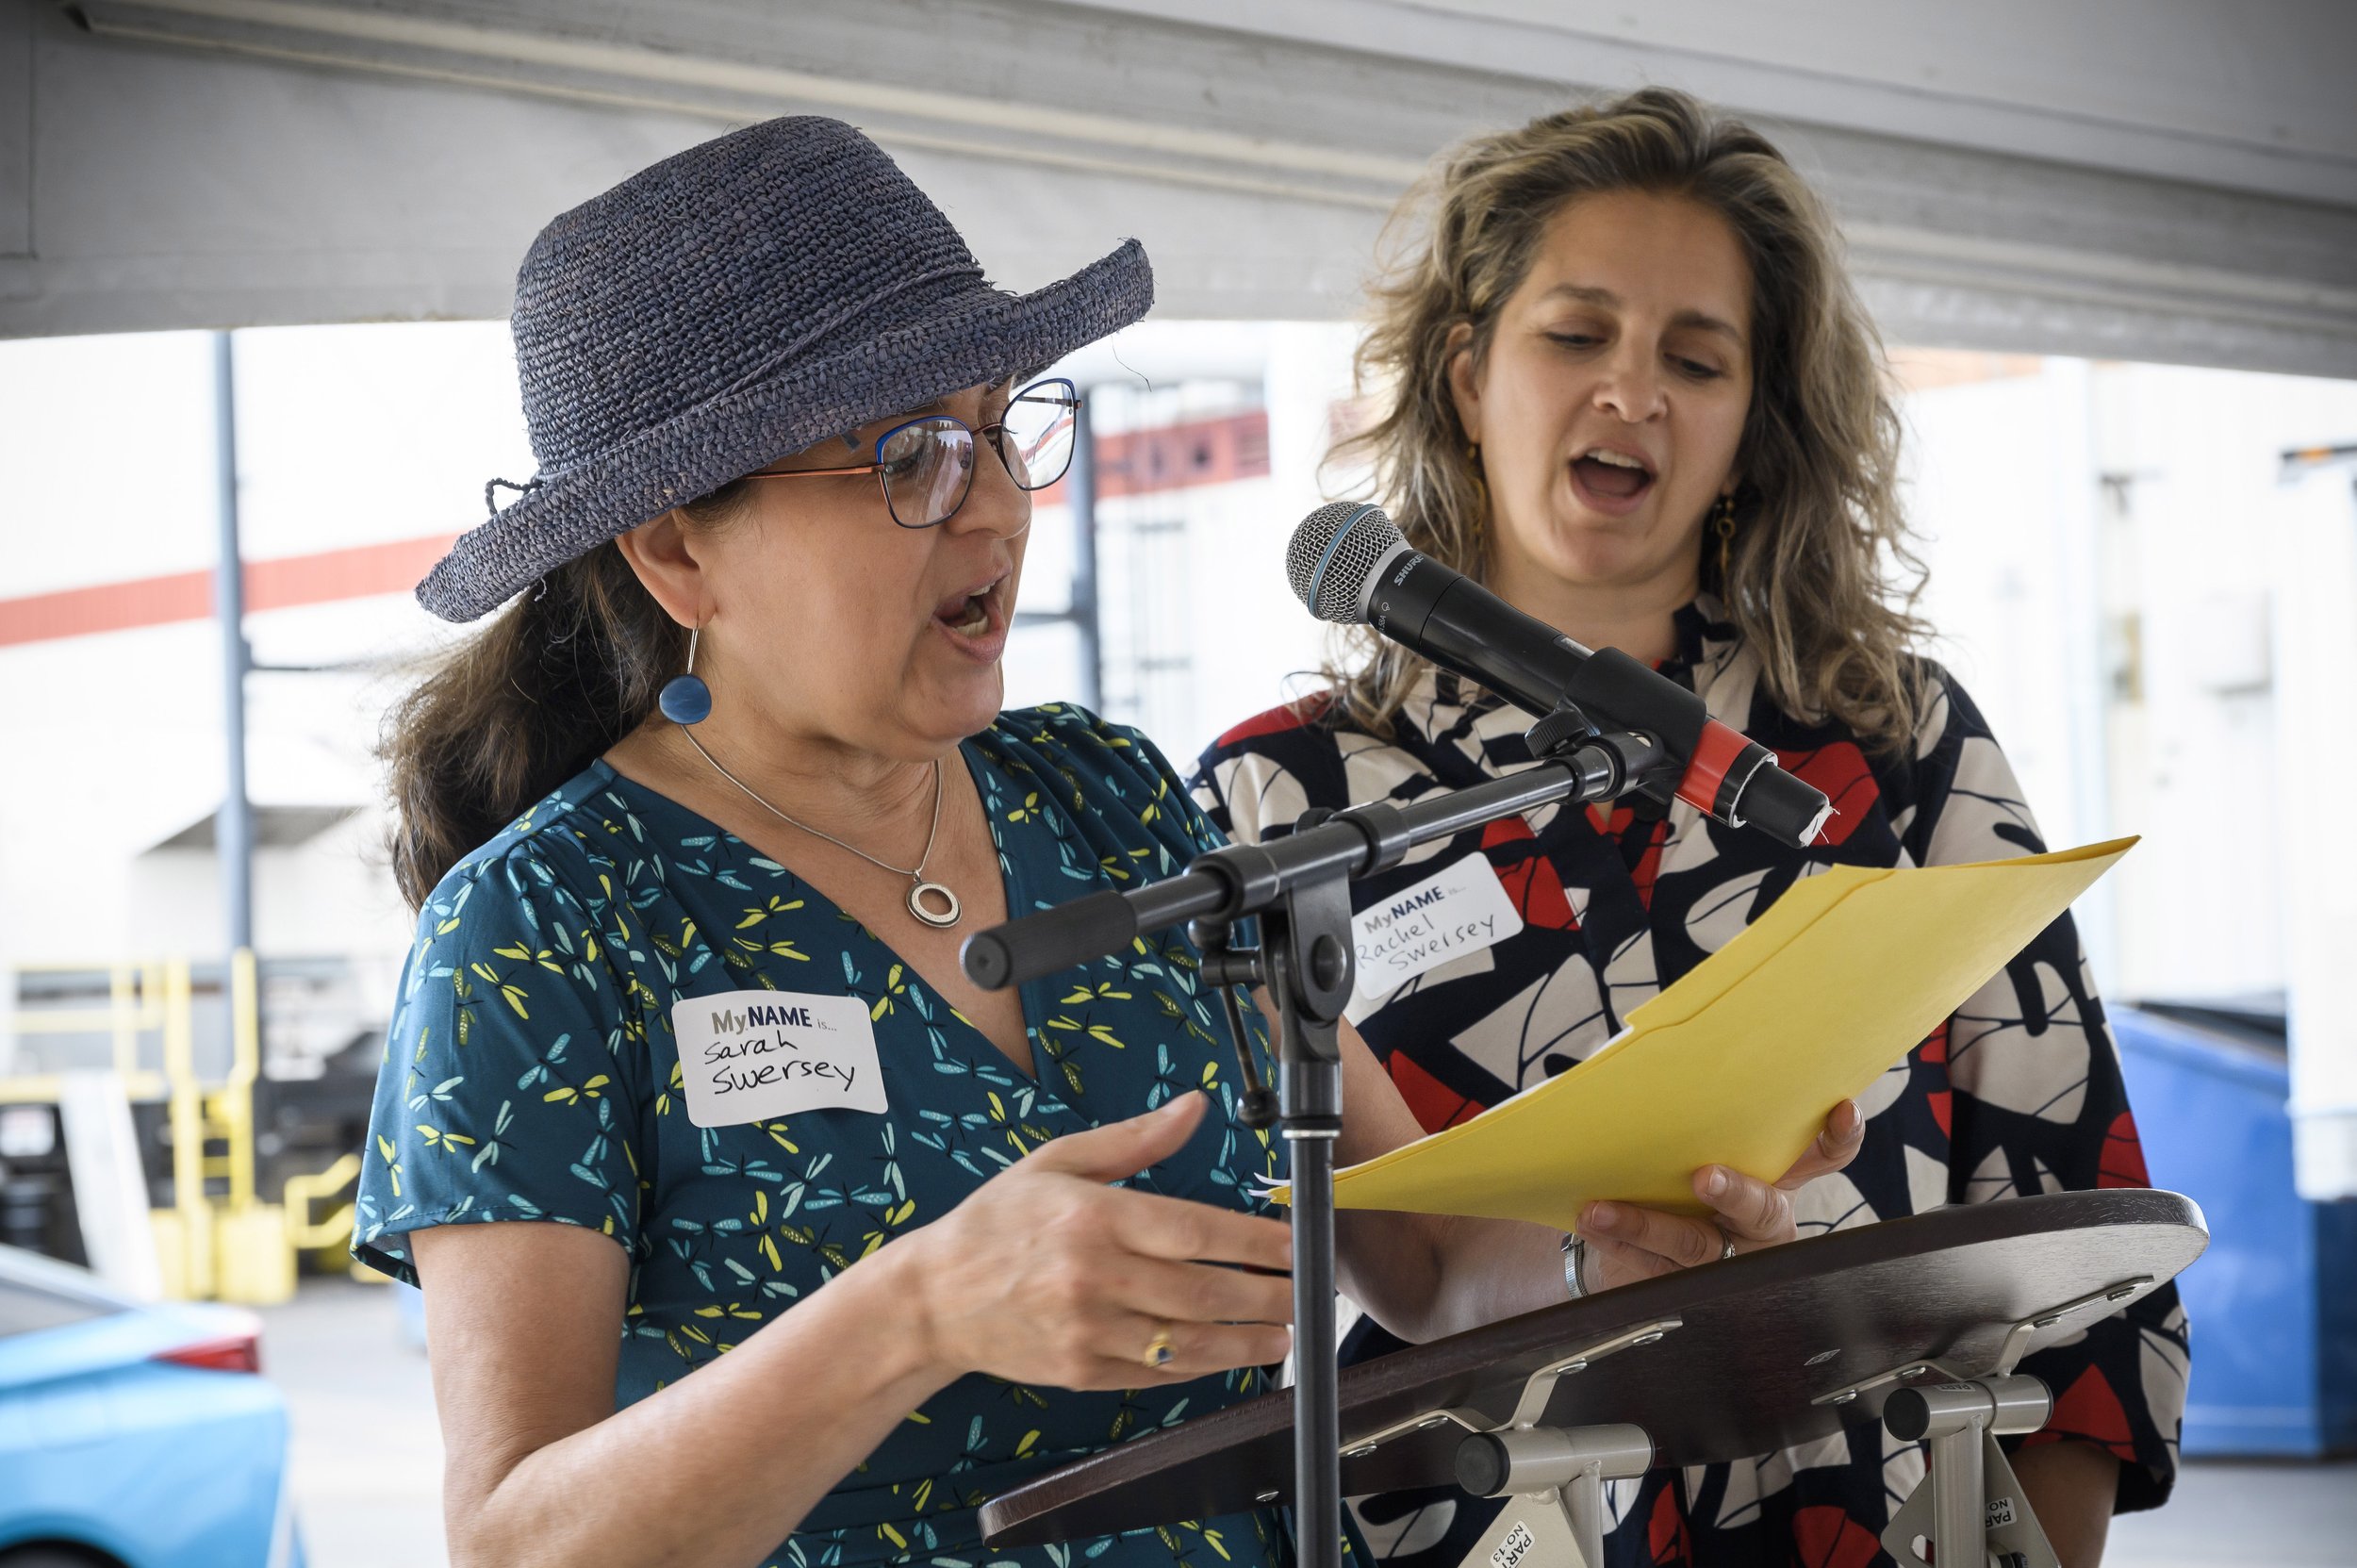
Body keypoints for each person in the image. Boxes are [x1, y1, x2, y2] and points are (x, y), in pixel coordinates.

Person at [354, 114, 1861, 1568]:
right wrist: (920, 1310)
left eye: (1003, 431)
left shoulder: (1105, 796)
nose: (998, 510)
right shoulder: (540, 924)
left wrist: (1626, 1226)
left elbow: (1429, 1263)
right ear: (677, 547)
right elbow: (515, 1543)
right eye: (906, 463)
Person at [1193, 88, 2187, 1568]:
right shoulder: (1284, 797)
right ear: (1468, 376)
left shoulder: (1896, 744)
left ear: (1749, 418)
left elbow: (2074, 1223)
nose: (1632, 392)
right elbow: (1327, 1269)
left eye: (1695, 358)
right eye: (1576, 334)